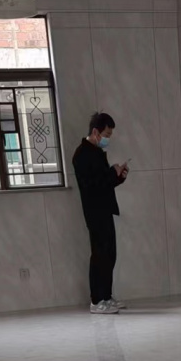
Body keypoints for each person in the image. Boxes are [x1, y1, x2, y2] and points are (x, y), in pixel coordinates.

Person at [72, 112, 129, 314]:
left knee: (110, 254)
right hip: (95, 212)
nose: (108, 139)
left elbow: (105, 183)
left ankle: (106, 296)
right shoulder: (81, 155)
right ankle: (96, 301)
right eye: (106, 134)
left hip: (105, 209)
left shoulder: (96, 152)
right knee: (99, 255)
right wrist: (111, 173)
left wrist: (119, 177)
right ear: (95, 132)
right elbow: (92, 185)